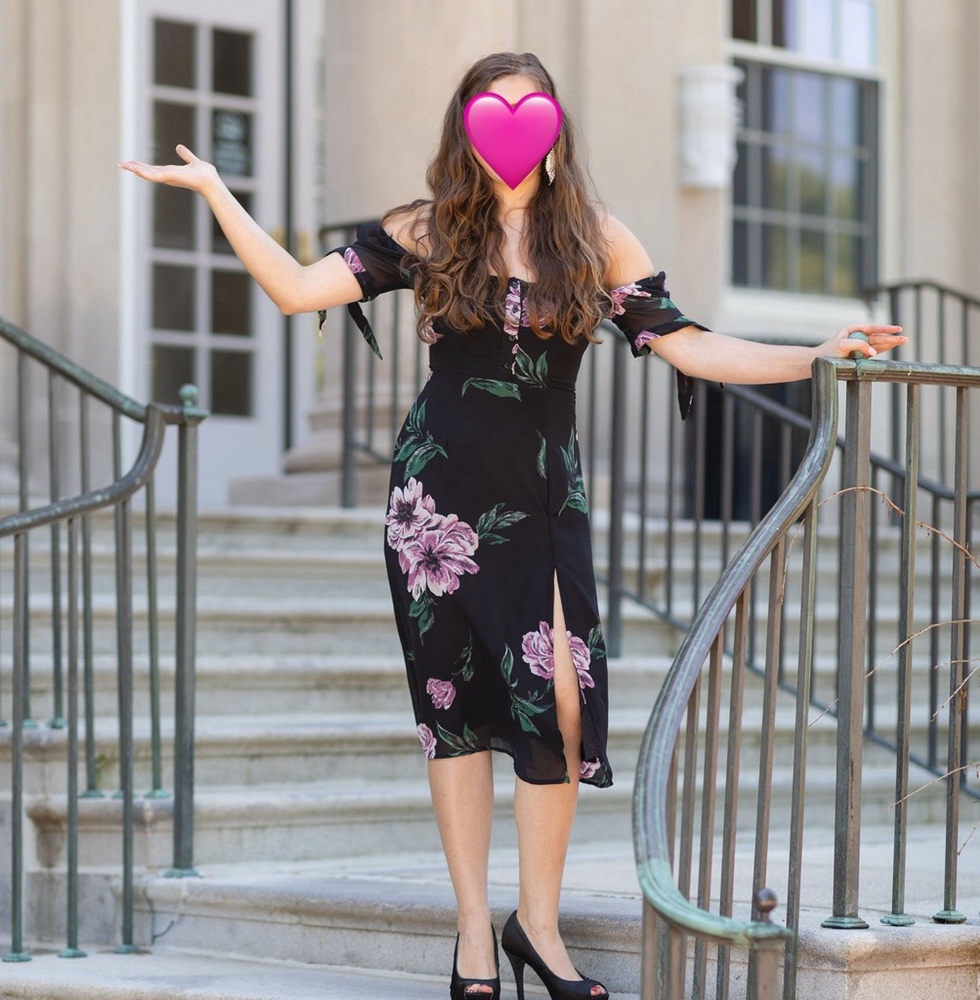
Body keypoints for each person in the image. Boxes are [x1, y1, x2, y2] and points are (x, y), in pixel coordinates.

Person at [121, 51, 904, 1000]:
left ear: (556, 125)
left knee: (562, 703)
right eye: (495, 108)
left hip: (542, 499)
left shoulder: (593, 237)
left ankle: (537, 924)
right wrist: (214, 190)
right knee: (452, 708)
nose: (513, 123)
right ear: (466, 122)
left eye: (531, 107)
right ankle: (473, 940)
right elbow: (294, 289)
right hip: (435, 500)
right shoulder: (428, 230)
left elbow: (687, 342)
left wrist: (812, 355)